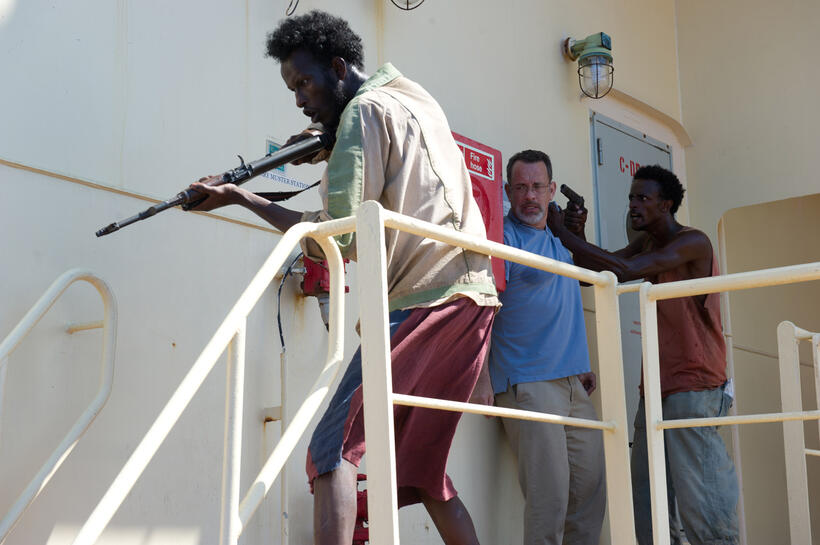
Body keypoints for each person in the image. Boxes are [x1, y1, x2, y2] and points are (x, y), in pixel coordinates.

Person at [187, 10, 499, 545]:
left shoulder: (361, 114)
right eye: (292, 88)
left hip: (424, 301)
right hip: (474, 300)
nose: (299, 97)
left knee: (331, 450)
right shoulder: (412, 95)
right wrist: (330, 143)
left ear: (337, 68)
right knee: (424, 474)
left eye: (304, 83)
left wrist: (240, 197)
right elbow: (395, 167)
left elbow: (338, 237)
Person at [546, 165, 738, 545]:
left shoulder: (692, 241)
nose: (633, 205)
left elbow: (624, 268)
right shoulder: (649, 243)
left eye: (642, 198)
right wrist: (578, 233)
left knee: (705, 510)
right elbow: (594, 275)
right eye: (631, 197)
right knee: (648, 508)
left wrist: (563, 233)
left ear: (666, 205)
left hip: (695, 387)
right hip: (656, 388)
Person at [488, 149, 606, 545]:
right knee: (548, 503)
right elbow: (480, 306)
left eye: (537, 187)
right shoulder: (501, 236)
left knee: (589, 500)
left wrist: (583, 362)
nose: (529, 196)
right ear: (507, 191)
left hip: (575, 384)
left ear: (551, 189)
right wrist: (479, 379)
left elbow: (582, 287)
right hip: (528, 384)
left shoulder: (559, 239)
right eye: (520, 187)